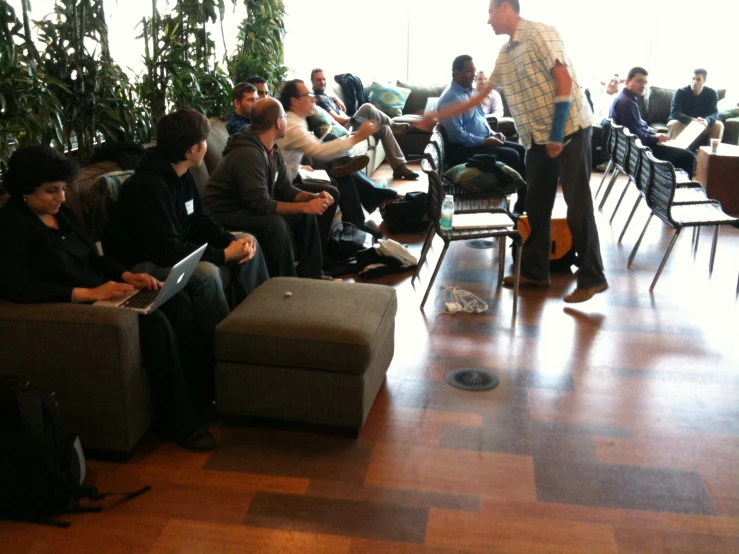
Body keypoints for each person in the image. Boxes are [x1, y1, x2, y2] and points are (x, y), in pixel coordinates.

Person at [0, 145, 217, 452]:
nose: (61, 198)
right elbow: (18, 287)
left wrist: (126, 275)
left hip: (105, 290)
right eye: (51, 191)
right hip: (75, 305)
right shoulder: (12, 226)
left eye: (63, 189)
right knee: (153, 323)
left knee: (177, 302)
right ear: (24, 189)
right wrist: (89, 294)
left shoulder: (62, 214)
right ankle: (180, 424)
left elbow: (95, 255)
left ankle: (198, 397)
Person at [432, 0, 607, 303]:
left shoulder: (541, 33)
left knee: (578, 202)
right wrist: (436, 113)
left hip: (570, 130)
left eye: (490, 12)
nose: (488, 21)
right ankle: (536, 272)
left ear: (506, 8)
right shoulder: (505, 53)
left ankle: (592, 276)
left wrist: (555, 133)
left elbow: (563, 80)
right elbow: (481, 95)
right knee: (537, 202)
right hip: (537, 139)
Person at [103, 108, 269, 349]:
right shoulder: (148, 186)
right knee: (207, 274)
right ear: (193, 149)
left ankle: (259, 319)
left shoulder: (182, 175)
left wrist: (228, 242)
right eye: (203, 141)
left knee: (246, 239)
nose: (206, 145)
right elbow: (166, 250)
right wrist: (223, 254)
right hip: (142, 262)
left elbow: (201, 221)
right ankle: (224, 347)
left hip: (172, 250)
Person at [204, 98, 334, 279]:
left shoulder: (271, 148)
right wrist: (304, 206)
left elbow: (285, 189)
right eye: (284, 117)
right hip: (224, 213)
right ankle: (286, 282)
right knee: (274, 224)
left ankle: (312, 275)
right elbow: (260, 204)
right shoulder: (247, 153)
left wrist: (310, 198)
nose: (287, 121)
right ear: (278, 122)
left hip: (245, 206)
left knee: (305, 214)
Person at [277, 79, 398, 233]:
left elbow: (285, 156)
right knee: (338, 174)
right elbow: (320, 151)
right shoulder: (293, 126)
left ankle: (356, 222)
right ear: (294, 101)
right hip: (287, 186)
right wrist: (356, 137)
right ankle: (360, 218)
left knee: (341, 170)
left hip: (294, 175)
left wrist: (300, 167)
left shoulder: (297, 120)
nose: (314, 98)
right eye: (308, 95)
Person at [438, 55, 528, 212]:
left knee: (521, 150)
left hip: (481, 141)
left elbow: (481, 119)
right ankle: (518, 204)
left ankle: (523, 201)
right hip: (463, 149)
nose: (472, 74)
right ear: (455, 73)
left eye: (473, 70)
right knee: (513, 155)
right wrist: (485, 141)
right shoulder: (451, 98)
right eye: (468, 71)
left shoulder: (470, 92)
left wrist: (494, 133)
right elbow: (457, 136)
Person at [310, 68, 419, 180]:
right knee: (367, 107)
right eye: (318, 80)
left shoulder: (324, 96)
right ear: (312, 81)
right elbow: (338, 119)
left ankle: (399, 167)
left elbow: (329, 100)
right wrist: (351, 117)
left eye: (324, 79)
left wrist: (336, 98)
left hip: (349, 124)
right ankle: (393, 125)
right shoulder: (318, 99)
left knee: (384, 128)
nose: (322, 82)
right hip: (345, 127)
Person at [609, 67, 696, 177]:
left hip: (631, 148)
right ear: (627, 81)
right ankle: (679, 189)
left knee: (682, 149)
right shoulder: (627, 104)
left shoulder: (626, 98)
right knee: (687, 156)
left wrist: (654, 134)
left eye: (645, 82)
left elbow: (638, 128)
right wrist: (657, 138)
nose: (643, 85)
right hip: (640, 152)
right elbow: (637, 137)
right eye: (639, 81)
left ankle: (668, 185)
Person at [667, 68, 724, 147]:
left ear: (704, 81)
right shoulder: (680, 92)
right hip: (683, 123)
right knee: (674, 124)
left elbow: (714, 113)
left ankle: (709, 157)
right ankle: (676, 154)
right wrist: (692, 120)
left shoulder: (711, 93)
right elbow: (675, 112)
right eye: (693, 79)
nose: (694, 82)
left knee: (719, 125)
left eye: (698, 80)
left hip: (702, 124)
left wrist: (706, 121)